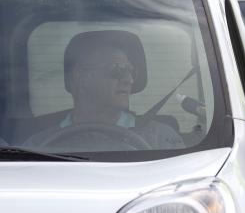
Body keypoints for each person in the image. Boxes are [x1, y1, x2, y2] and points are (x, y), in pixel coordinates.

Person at [25, 30, 184, 150]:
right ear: (81, 77)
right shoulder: (38, 145)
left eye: (131, 71)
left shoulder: (160, 138)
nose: (129, 80)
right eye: (118, 69)